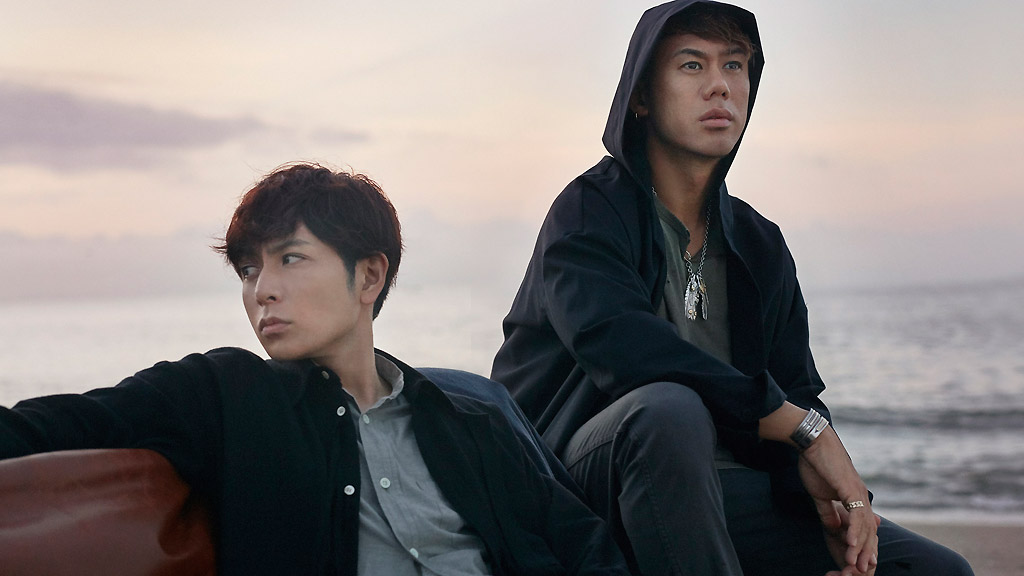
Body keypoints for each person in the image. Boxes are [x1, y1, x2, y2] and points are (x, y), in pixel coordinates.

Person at [491, 2, 973, 576]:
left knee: (935, 570)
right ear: (641, 96)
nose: (719, 85)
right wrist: (801, 429)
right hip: (578, 483)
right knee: (668, 409)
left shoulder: (759, 242)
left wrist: (843, 501)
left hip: (727, 492)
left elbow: (797, 388)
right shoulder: (589, 212)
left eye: (735, 65)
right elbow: (622, 348)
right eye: (692, 66)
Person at [0, 163, 630, 576]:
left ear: (369, 276)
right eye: (249, 270)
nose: (262, 290)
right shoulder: (226, 394)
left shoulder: (467, 422)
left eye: (291, 259)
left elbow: (583, 546)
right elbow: (59, 424)